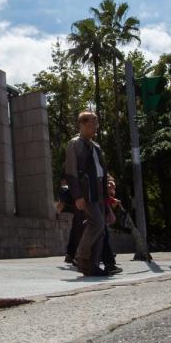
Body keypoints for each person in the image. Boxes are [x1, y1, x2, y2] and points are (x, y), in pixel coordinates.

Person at [64, 111, 111, 277]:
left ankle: (92, 265)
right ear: (82, 125)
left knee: (101, 228)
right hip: (86, 191)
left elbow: (102, 173)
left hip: (99, 190)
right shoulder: (74, 144)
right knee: (96, 224)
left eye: (96, 123)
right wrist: (77, 196)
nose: (95, 127)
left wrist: (108, 204)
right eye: (92, 123)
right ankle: (81, 256)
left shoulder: (96, 146)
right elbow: (70, 172)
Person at [55, 177, 85, 266]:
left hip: (78, 209)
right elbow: (61, 204)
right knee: (78, 230)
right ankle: (75, 255)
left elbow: (60, 204)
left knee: (76, 230)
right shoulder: (66, 188)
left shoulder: (66, 189)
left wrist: (57, 211)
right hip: (80, 208)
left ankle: (71, 254)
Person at [101, 176, 122, 275]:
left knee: (103, 237)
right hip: (97, 214)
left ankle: (108, 262)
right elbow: (102, 197)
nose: (111, 185)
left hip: (99, 214)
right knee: (103, 237)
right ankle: (109, 264)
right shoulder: (101, 184)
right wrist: (113, 200)